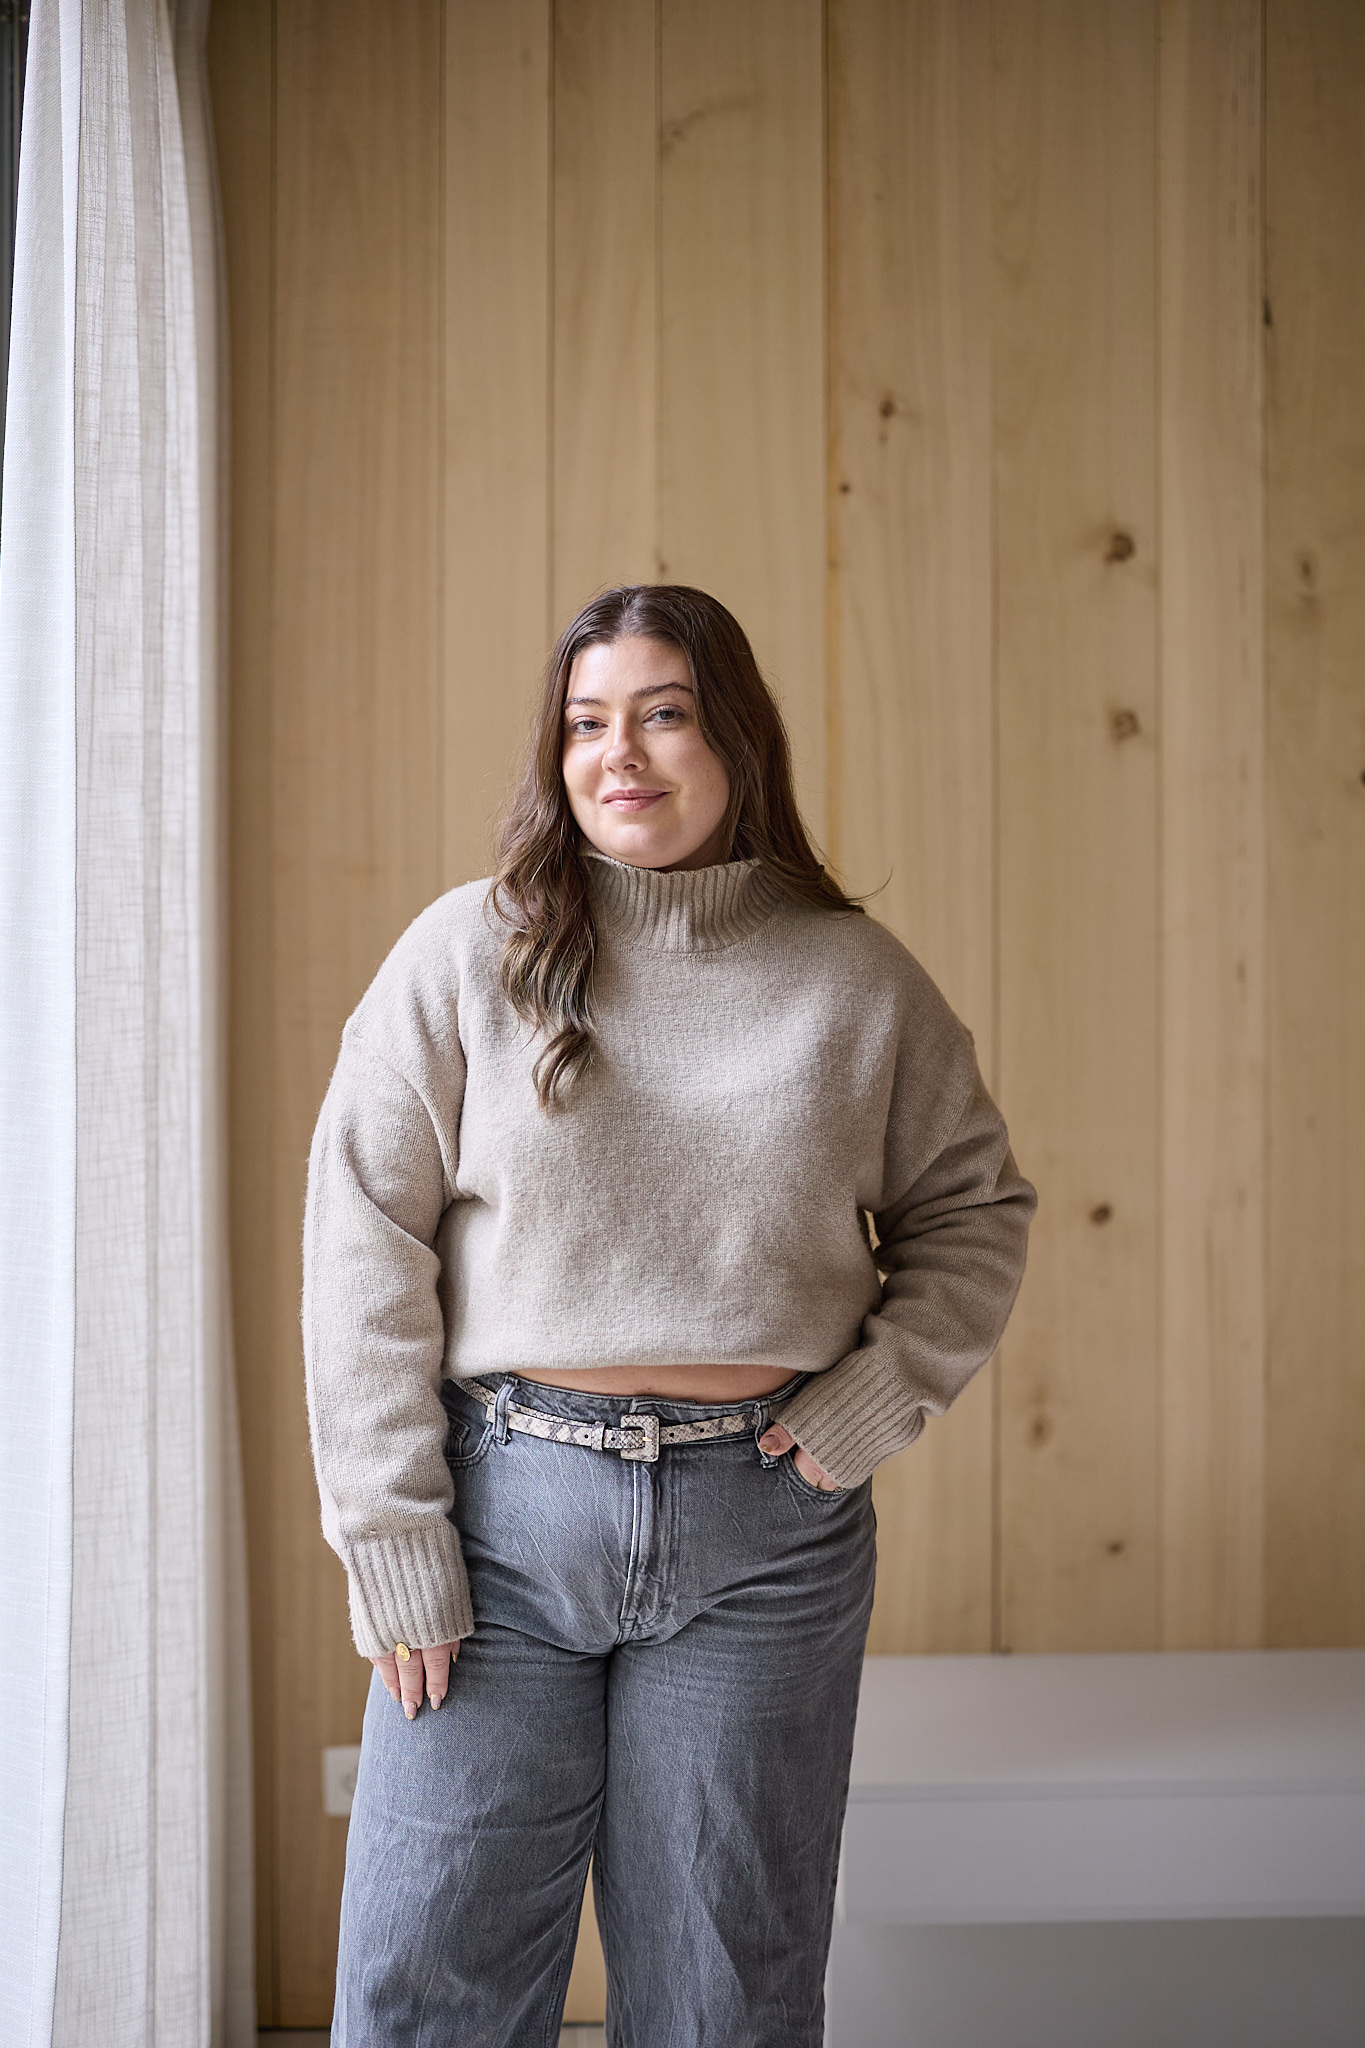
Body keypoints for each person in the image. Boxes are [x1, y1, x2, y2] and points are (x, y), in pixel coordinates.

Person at [303, 583, 1036, 2047]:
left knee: (729, 1992)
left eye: (661, 713)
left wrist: (868, 1404)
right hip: (499, 1517)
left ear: (733, 739)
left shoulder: (854, 980)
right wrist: (389, 1534)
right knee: (425, 1983)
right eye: (584, 722)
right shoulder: (465, 954)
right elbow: (362, 1244)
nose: (617, 754)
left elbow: (975, 1211)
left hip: (765, 1534)